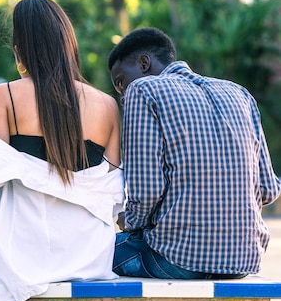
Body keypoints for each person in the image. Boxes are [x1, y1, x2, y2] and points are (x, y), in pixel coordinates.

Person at [0, 0, 124, 301]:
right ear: (68, 42)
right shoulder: (107, 105)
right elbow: (114, 196)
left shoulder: (5, 95)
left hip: (21, 259)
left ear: (20, 48)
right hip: (90, 259)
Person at [108, 26, 281, 279]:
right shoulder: (240, 94)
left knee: (84, 255)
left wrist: (129, 220)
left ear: (144, 63)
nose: (122, 96)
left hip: (175, 259)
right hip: (244, 261)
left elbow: (147, 192)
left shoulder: (143, 90)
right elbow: (269, 190)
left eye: (121, 82)